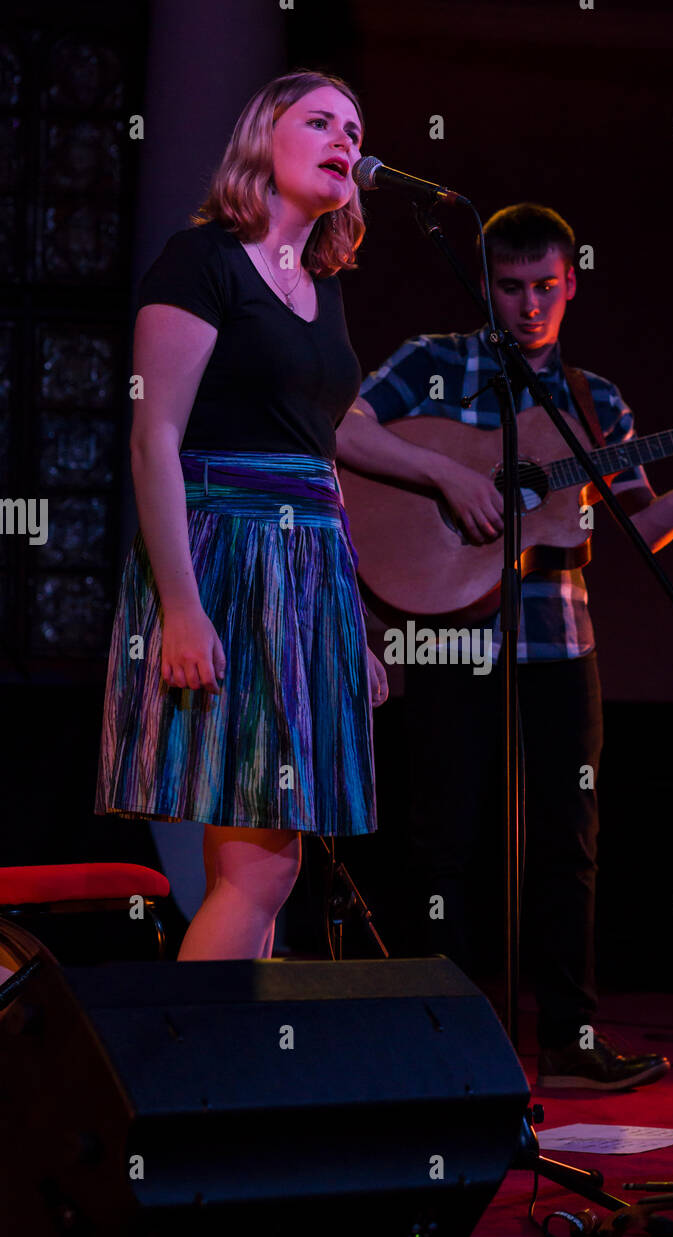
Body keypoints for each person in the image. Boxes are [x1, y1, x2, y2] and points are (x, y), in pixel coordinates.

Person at [335, 203, 673, 1088]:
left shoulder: (595, 402)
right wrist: (451, 474)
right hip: (448, 639)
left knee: (569, 840)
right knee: (444, 841)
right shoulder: (433, 363)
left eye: (547, 288)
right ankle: (443, 1043)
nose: (529, 307)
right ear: (485, 284)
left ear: (572, 283)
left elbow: (642, 526)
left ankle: (570, 1042)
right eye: (510, 288)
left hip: (558, 643)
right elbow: (341, 430)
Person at [94, 70, 388, 964]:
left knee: (265, 862)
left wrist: (353, 627)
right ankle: (186, 1082)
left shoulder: (319, 285)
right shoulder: (203, 260)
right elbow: (156, 440)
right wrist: (181, 608)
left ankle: (226, 1084)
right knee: (263, 866)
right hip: (223, 557)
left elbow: (320, 443)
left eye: (353, 126)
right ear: (265, 134)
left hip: (309, 570)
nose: (345, 138)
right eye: (320, 121)